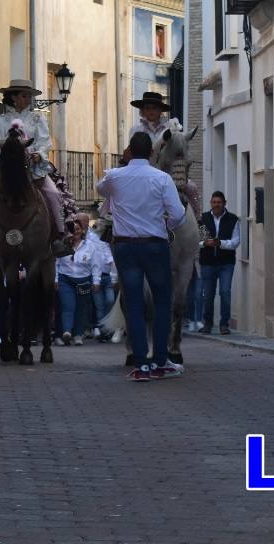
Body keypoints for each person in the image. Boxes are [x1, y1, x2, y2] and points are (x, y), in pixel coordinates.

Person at [96, 131, 186, 382]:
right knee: (162, 303)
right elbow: (178, 214)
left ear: (129, 152)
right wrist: (164, 225)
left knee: (133, 305)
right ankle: (159, 360)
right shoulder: (162, 178)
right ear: (152, 152)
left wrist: (122, 166)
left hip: (125, 247)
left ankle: (141, 363)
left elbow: (100, 189)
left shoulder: (114, 176)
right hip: (154, 245)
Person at [0, 79, 71, 256]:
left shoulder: (37, 118)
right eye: (24, 96)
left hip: (32, 168)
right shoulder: (0, 119)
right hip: (7, 169)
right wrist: (1, 154)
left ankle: (59, 236)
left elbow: (45, 142)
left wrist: (38, 155)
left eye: (29, 96)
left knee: (54, 194)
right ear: (13, 97)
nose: (28, 99)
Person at [199, 191, 240, 335]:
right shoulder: (203, 219)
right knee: (208, 295)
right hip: (207, 262)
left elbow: (235, 242)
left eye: (219, 202)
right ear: (211, 203)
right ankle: (207, 324)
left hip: (226, 263)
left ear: (224, 203)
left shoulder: (233, 219)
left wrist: (220, 243)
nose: (216, 205)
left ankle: (224, 324)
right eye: (214, 202)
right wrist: (205, 243)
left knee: (225, 292)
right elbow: (197, 240)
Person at [55, 214, 95, 345]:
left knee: (81, 308)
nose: (76, 232)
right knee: (68, 306)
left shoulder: (90, 245)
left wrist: (97, 281)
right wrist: (55, 279)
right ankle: (67, 332)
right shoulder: (63, 245)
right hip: (65, 278)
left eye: (78, 229)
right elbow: (56, 263)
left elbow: (95, 265)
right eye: (73, 229)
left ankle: (78, 334)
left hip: (84, 280)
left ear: (82, 230)